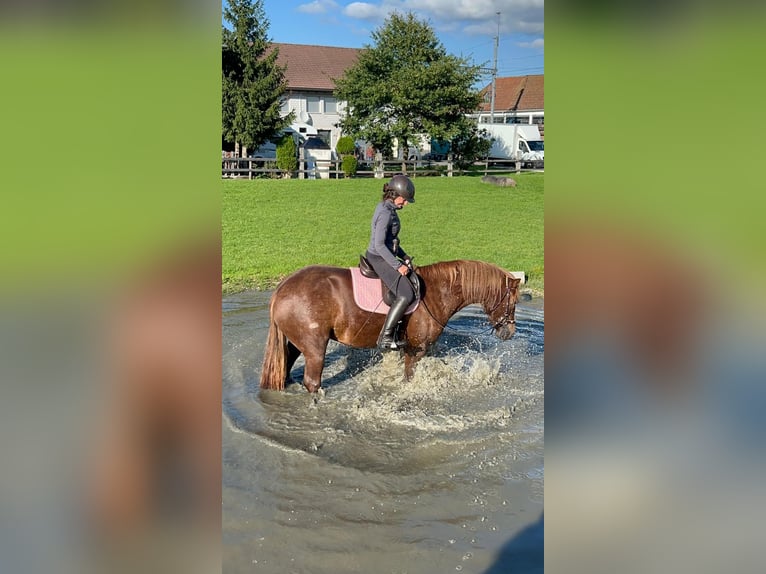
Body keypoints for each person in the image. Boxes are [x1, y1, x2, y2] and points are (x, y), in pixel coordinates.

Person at [366, 174, 417, 351]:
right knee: (406, 294)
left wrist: (404, 257)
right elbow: (380, 246)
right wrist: (398, 266)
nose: (406, 203)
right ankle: (386, 337)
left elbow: (391, 241)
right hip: (378, 257)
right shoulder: (385, 214)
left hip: (386, 254)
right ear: (395, 195)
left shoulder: (388, 209)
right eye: (405, 199)